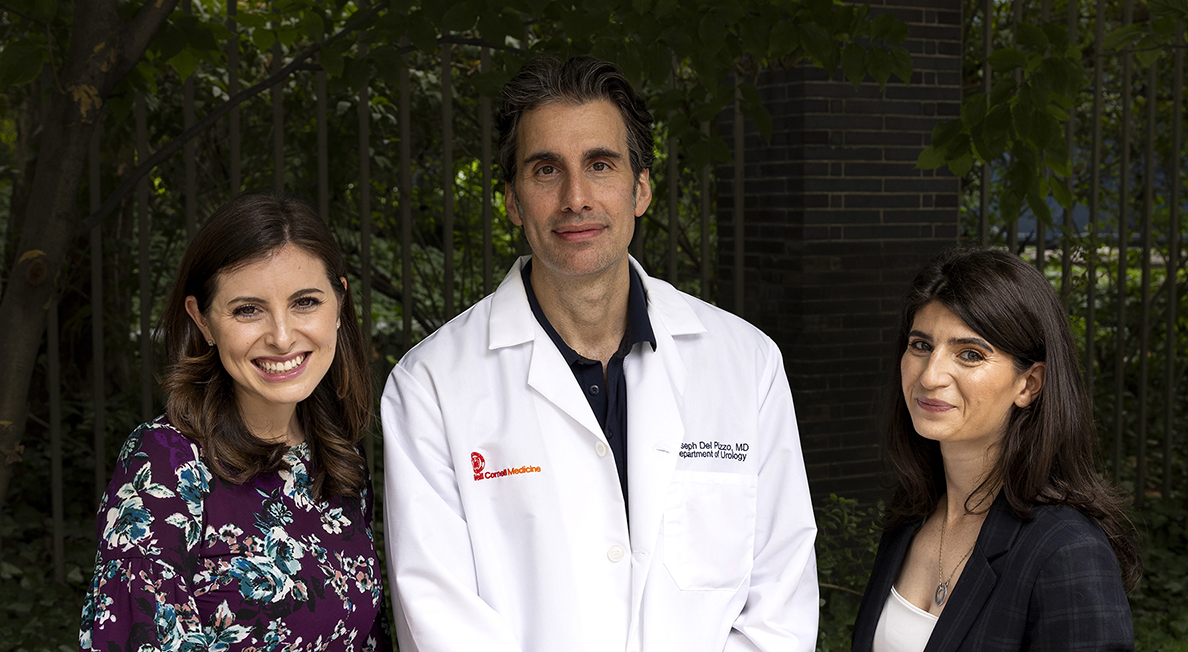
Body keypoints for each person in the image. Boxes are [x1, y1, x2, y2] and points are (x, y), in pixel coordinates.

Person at [380, 55, 818, 652]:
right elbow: (440, 621)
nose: (575, 197)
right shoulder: (430, 384)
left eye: (600, 165)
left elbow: (780, 606)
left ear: (640, 188)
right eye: (545, 170)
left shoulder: (747, 365)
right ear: (512, 200)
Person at [80, 194, 384, 651]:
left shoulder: (341, 460)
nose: (282, 337)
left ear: (338, 305)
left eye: (305, 302)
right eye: (247, 310)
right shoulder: (165, 465)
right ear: (202, 321)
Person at [851, 247, 1141, 652]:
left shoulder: (1067, 551)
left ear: (1029, 385)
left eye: (969, 354)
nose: (931, 376)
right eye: (920, 345)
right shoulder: (912, 515)